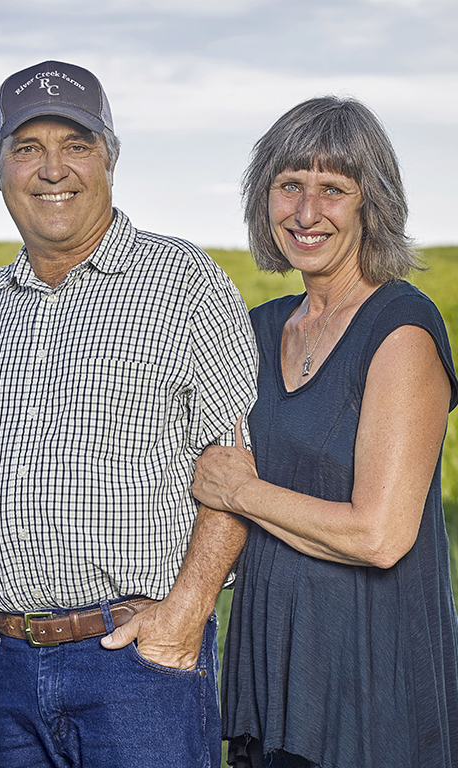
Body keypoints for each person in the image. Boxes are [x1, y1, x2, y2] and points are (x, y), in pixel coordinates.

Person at [0, 60, 257, 767]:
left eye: (75, 145)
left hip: (139, 666)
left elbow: (232, 465)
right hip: (8, 669)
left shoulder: (184, 283)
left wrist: (184, 615)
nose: (53, 170)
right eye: (27, 149)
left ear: (110, 157)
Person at [192, 96, 458, 768]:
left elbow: (379, 535)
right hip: (273, 673)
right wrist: (2, 298)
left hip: (367, 685)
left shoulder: (399, 329)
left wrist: (241, 492)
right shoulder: (259, 328)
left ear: (371, 207)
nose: (306, 213)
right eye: (290, 186)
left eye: (332, 190)